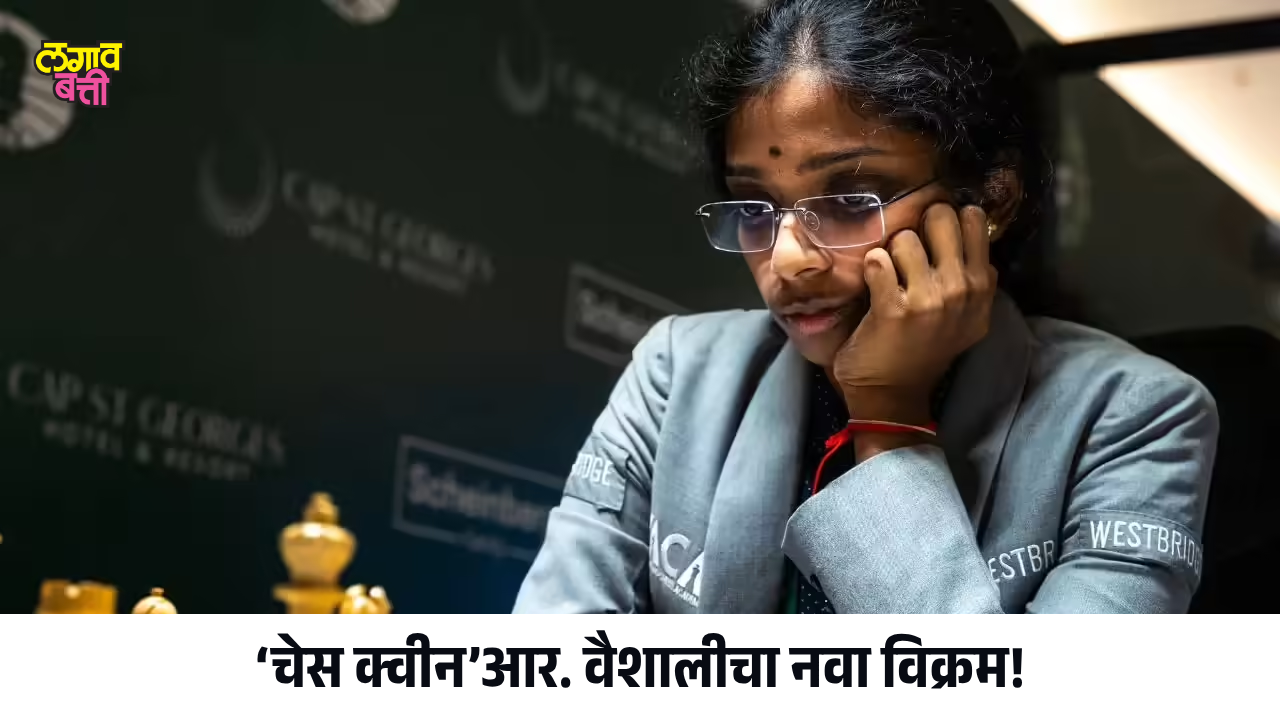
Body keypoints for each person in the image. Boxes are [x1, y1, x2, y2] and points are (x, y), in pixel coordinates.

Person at [514, 0, 1218, 613]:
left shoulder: (1135, 417)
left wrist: (887, 417)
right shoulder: (676, 373)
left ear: (993, 200)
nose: (788, 258)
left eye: (851, 201)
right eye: (754, 205)